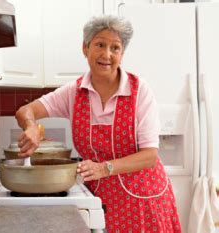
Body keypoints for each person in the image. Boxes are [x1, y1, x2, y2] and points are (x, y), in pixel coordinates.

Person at [15, 15, 181, 232]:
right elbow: (25, 111)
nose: (107, 54)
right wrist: (30, 126)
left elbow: (150, 156)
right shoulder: (74, 92)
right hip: (101, 202)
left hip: (144, 200)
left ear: (122, 54)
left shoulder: (139, 90)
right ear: (85, 48)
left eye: (115, 48)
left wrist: (105, 168)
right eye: (100, 44)